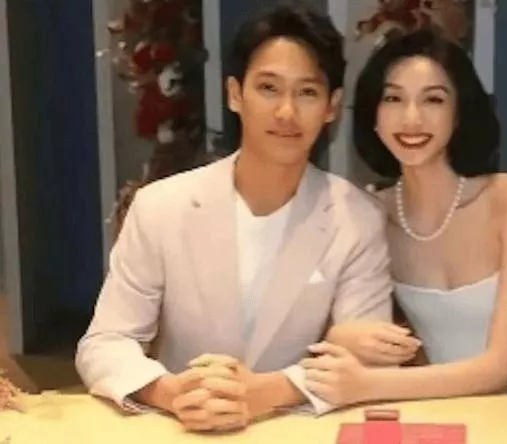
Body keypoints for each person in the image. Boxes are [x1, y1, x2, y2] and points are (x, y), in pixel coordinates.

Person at [75, 3, 412, 432]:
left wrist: (266, 392)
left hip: (294, 429)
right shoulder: (161, 207)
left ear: (332, 106)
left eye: (307, 93)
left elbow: (366, 356)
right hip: (185, 425)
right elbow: (105, 342)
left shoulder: (357, 217)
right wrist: (172, 393)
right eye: (269, 88)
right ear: (235, 94)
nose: (286, 112)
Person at [300, 28, 507, 407]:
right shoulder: (368, 214)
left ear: (459, 114)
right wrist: (341, 337)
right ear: (373, 116)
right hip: (456, 414)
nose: (412, 118)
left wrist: (367, 385)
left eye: (433, 100)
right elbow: (324, 322)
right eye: (393, 98)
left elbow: (501, 369)